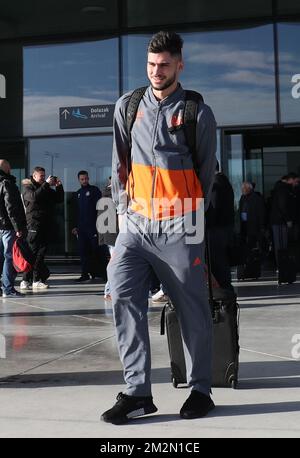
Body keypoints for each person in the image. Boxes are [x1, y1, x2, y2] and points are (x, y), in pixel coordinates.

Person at [101, 31, 217, 424]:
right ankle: (137, 392)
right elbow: (119, 165)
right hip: (135, 223)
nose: (156, 71)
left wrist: (191, 220)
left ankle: (201, 388)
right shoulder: (128, 106)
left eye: (164, 64)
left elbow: (205, 172)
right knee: (121, 293)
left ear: (179, 65)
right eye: (151, 65)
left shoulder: (196, 111)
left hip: (181, 224)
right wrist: (120, 220)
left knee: (192, 307)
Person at [20, 166, 64, 289]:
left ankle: (34, 280)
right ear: (34, 176)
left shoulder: (46, 188)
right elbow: (34, 197)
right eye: (41, 176)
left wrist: (59, 186)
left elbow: (58, 199)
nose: (44, 178)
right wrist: (46, 185)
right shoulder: (28, 187)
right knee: (32, 253)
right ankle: (27, 279)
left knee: (41, 253)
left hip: (46, 225)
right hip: (33, 224)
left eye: (45, 176)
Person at [206, 163, 235, 293]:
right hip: (225, 228)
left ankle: (222, 288)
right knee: (223, 259)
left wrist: (207, 223)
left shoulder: (215, 183)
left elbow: (214, 207)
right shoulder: (225, 182)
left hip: (216, 229)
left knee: (217, 260)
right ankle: (225, 286)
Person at [0, 159, 27, 297]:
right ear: (5, 168)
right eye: (9, 166)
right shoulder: (7, 183)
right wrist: (17, 226)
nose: (11, 168)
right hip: (7, 226)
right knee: (9, 257)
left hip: (1, 226)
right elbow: (10, 207)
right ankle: (8, 288)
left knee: (2, 257)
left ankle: (3, 287)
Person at [72, 171, 102, 282]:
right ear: (79, 180)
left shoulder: (94, 191)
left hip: (93, 227)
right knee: (83, 251)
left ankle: (98, 273)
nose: (84, 181)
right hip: (81, 228)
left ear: (88, 178)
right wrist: (75, 226)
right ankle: (84, 274)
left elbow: (100, 209)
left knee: (95, 250)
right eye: (82, 179)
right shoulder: (78, 193)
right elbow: (76, 212)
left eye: (86, 179)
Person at [270, 173, 299, 266]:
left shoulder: (280, 188)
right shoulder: (283, 189)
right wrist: (288, 220)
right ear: (290, 179)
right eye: (296, 181)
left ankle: (282, 265)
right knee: (282, 244)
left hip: (278, 221)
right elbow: (283, 206)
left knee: (281, 244)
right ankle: (282, 265)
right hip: (280, 221)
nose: (297, 183)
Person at [97, 177, 118, 300]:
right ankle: (109, 290)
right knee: (116, 263)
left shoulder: (105, 195)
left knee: (116, 262)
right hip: (114, 235)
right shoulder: (112, 196)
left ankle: (110, 290)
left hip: (112, 236)